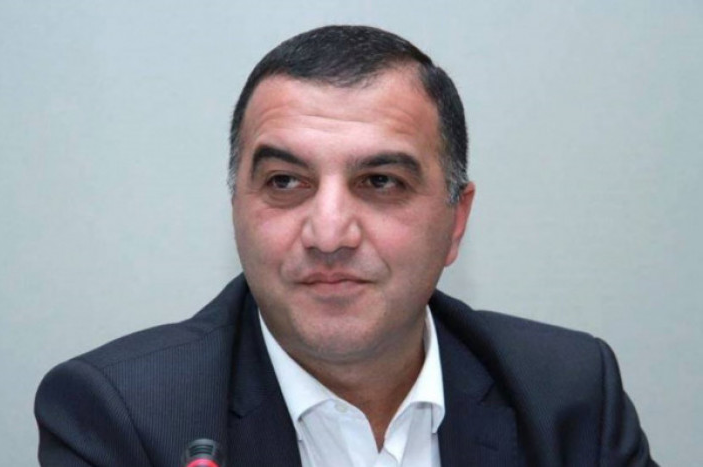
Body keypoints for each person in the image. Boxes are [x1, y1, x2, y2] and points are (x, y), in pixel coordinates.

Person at [35, 25, 657, 466]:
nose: (329, 235)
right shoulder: (119, 414)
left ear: (455, 222)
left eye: (380, 182)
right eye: (285, 182)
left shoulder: (567, 394)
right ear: (236, 210)